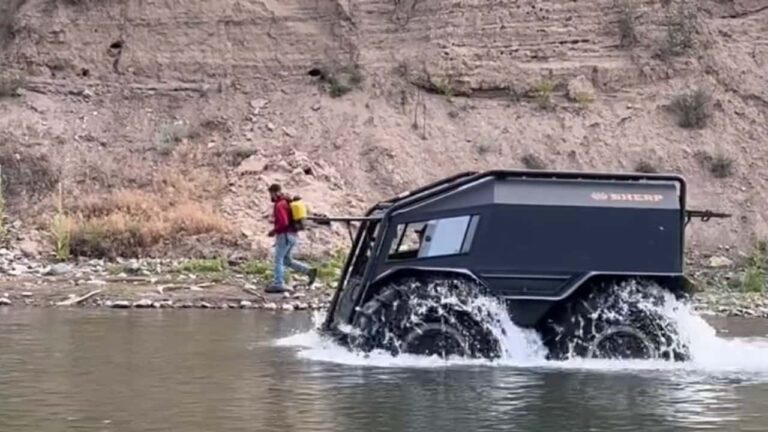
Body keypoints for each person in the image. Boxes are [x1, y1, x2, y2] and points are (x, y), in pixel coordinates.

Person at [266, 183, 317, 293]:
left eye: (271, 193)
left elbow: (283, 222)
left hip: (284, 235)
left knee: (278, 259)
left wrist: (273, 231)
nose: (271, 196)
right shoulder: (287, 202)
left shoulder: (280, 204)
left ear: (275, 192)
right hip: (292, 235)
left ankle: (278, 283)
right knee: (287, 260)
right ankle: (309, 271)